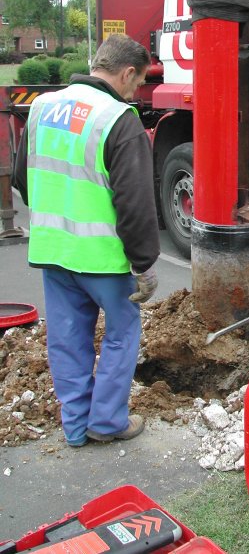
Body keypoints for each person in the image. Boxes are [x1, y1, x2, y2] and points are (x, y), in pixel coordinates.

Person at [13, 34, 160, 446]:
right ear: (127, 72)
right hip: (102, 258)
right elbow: (135, 203)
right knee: (121, 332)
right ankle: (108, 422)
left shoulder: (41, 107)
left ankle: (75, 426)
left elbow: (22, 178)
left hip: (53, 251)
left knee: (67, 337)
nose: (135, 92)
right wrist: (145, 263)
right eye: (137, 83)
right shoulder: (118, 118)